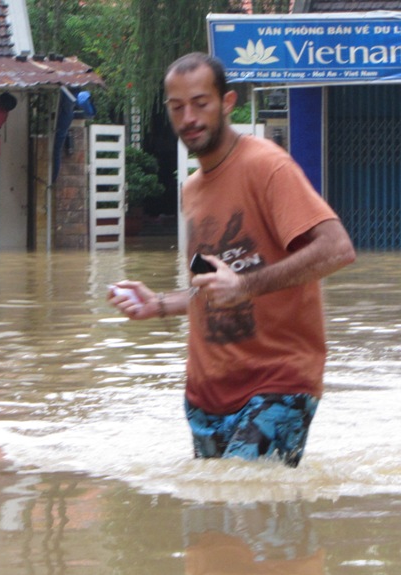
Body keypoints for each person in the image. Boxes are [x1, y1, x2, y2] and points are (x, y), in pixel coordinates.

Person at [109, 52, 355, 467]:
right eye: (177, 107)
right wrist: (162, 304)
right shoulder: (190, 190)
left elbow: (336, 249)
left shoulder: (267, 166)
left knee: (245, 506)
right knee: (215, 525)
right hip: (206, 394)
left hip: (279, 382)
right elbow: (214, 286)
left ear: (227, 103)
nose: (189, 117)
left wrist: (244, 286)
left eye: (201, 103)